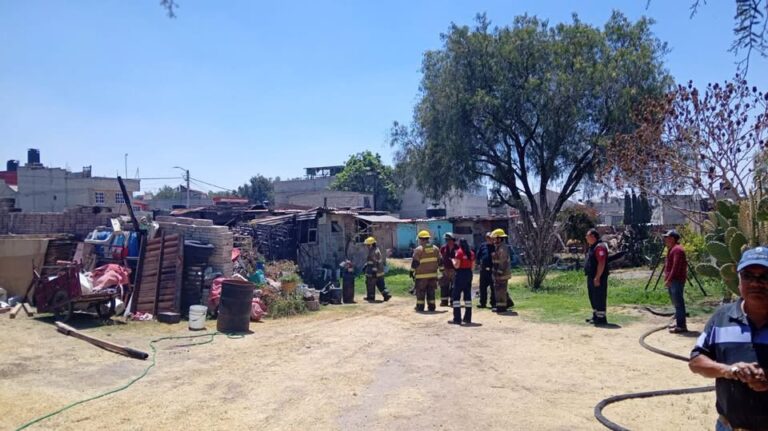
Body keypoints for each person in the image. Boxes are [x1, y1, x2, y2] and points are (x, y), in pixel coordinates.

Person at [689, 246, 768, 430]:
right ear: (738, 281)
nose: (755, 283)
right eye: (748, 276)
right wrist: (729, 370)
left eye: (764, 277)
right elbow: (696, 362)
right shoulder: (721, 318)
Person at [663, 229, 688, 333]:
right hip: (673, 280)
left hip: (676, 280)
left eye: (667, 238)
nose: (665, 240)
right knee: (676, 303)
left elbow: (675, 267)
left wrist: (669, 279)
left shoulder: (677, 250)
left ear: (673, 239)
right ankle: (678, 322)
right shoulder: (672, 249)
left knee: (678, 303)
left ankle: (681, 326)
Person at [411, 230, 441, 311]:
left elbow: (415, 262)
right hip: (433, 275)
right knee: (431, 292)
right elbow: (440, 261)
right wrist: (442, 271)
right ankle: (432, 306)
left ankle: (420, 307)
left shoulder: (418, 249)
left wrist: (411, 271)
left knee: (420, 292)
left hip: (421, 276)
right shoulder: (435, 248)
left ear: (421, 239)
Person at [584, 228, 609, 325]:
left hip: (598, 277)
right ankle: (595, 316)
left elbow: (601, 262)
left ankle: (601, 318)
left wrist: (597, 277)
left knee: (599, 297)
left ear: (593, 237)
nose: (586, 238)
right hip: (591, 276)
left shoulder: (600, 247)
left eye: (587, 236)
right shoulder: (593, 247)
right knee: (593, 297)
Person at [450, 239, 475, 324]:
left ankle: (457, 319)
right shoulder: (471, 253)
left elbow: (457, 266)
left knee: (456, 297)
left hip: (460, 274)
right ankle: (467, 318)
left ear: (460, 244)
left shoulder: (459, 252)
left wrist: (453, 260)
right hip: (469, 274)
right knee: (467, 296)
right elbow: (473, 267)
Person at [490, 228, 513, 313]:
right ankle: (505, 304)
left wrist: (499, 272)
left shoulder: (502, 248)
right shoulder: (498, 247)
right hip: (499, 273)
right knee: (499, 290)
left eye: (495, 238)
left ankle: (502, 307)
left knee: (501, 290)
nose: (494, 240)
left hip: (502, 273)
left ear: (499, 238)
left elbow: (503, 262)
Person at [363, 236, 391, 302]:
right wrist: (366, 265)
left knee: (370, 284)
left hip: (373, 272)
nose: (367, 246)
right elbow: (372, 261)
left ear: (371, 245)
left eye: (368, 245)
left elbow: (374, 263)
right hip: (380, 272)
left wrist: (373, 272)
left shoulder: (373, 252)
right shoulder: (376, 250)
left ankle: (371, 297)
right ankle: (386, 295)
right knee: (381, 285)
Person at [475, 232, 495, 308]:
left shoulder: (495, 246)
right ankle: (482, 303)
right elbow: (478, 255)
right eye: (487, 237)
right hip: (483, 270)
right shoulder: (483, 246)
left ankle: (493, 303)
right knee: (482, 287)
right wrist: (478, 264)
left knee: (493, 287)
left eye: (490, 237)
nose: (489, 239)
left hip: (492, 270)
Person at [439, 232, 458, 307]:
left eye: (449, 239)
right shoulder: (443, 248)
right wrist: (441, 269)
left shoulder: (458, 248)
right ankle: (444, 301)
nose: (448, 241)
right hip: (445, 270)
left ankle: (453, 301)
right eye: (446, 240)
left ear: (453, 240)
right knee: (444, 286)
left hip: (454, 270)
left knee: (454, 286)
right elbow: (440, 259)